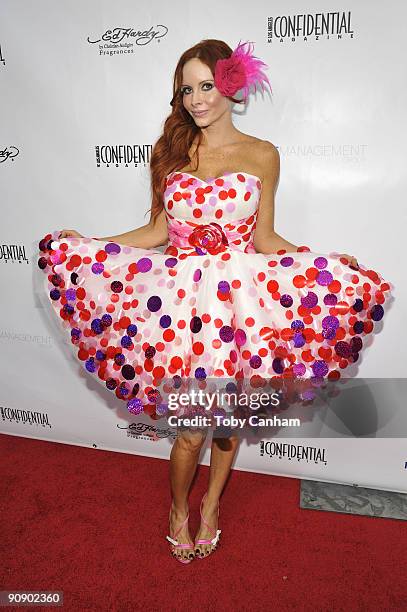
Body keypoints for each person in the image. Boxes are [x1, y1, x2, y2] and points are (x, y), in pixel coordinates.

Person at [37, 39, 394, 564]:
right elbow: (158, 229)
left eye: (207, 86)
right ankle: (179, 510)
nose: (196, 99)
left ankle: (212, 507)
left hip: (239, 311)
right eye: (187, 89)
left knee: (227, 429)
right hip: (181, 310)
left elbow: (267, 239)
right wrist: (91, 243)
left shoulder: (262, 154)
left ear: (232, 85)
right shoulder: (171, 153)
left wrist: (326, 264)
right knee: (190, 434)